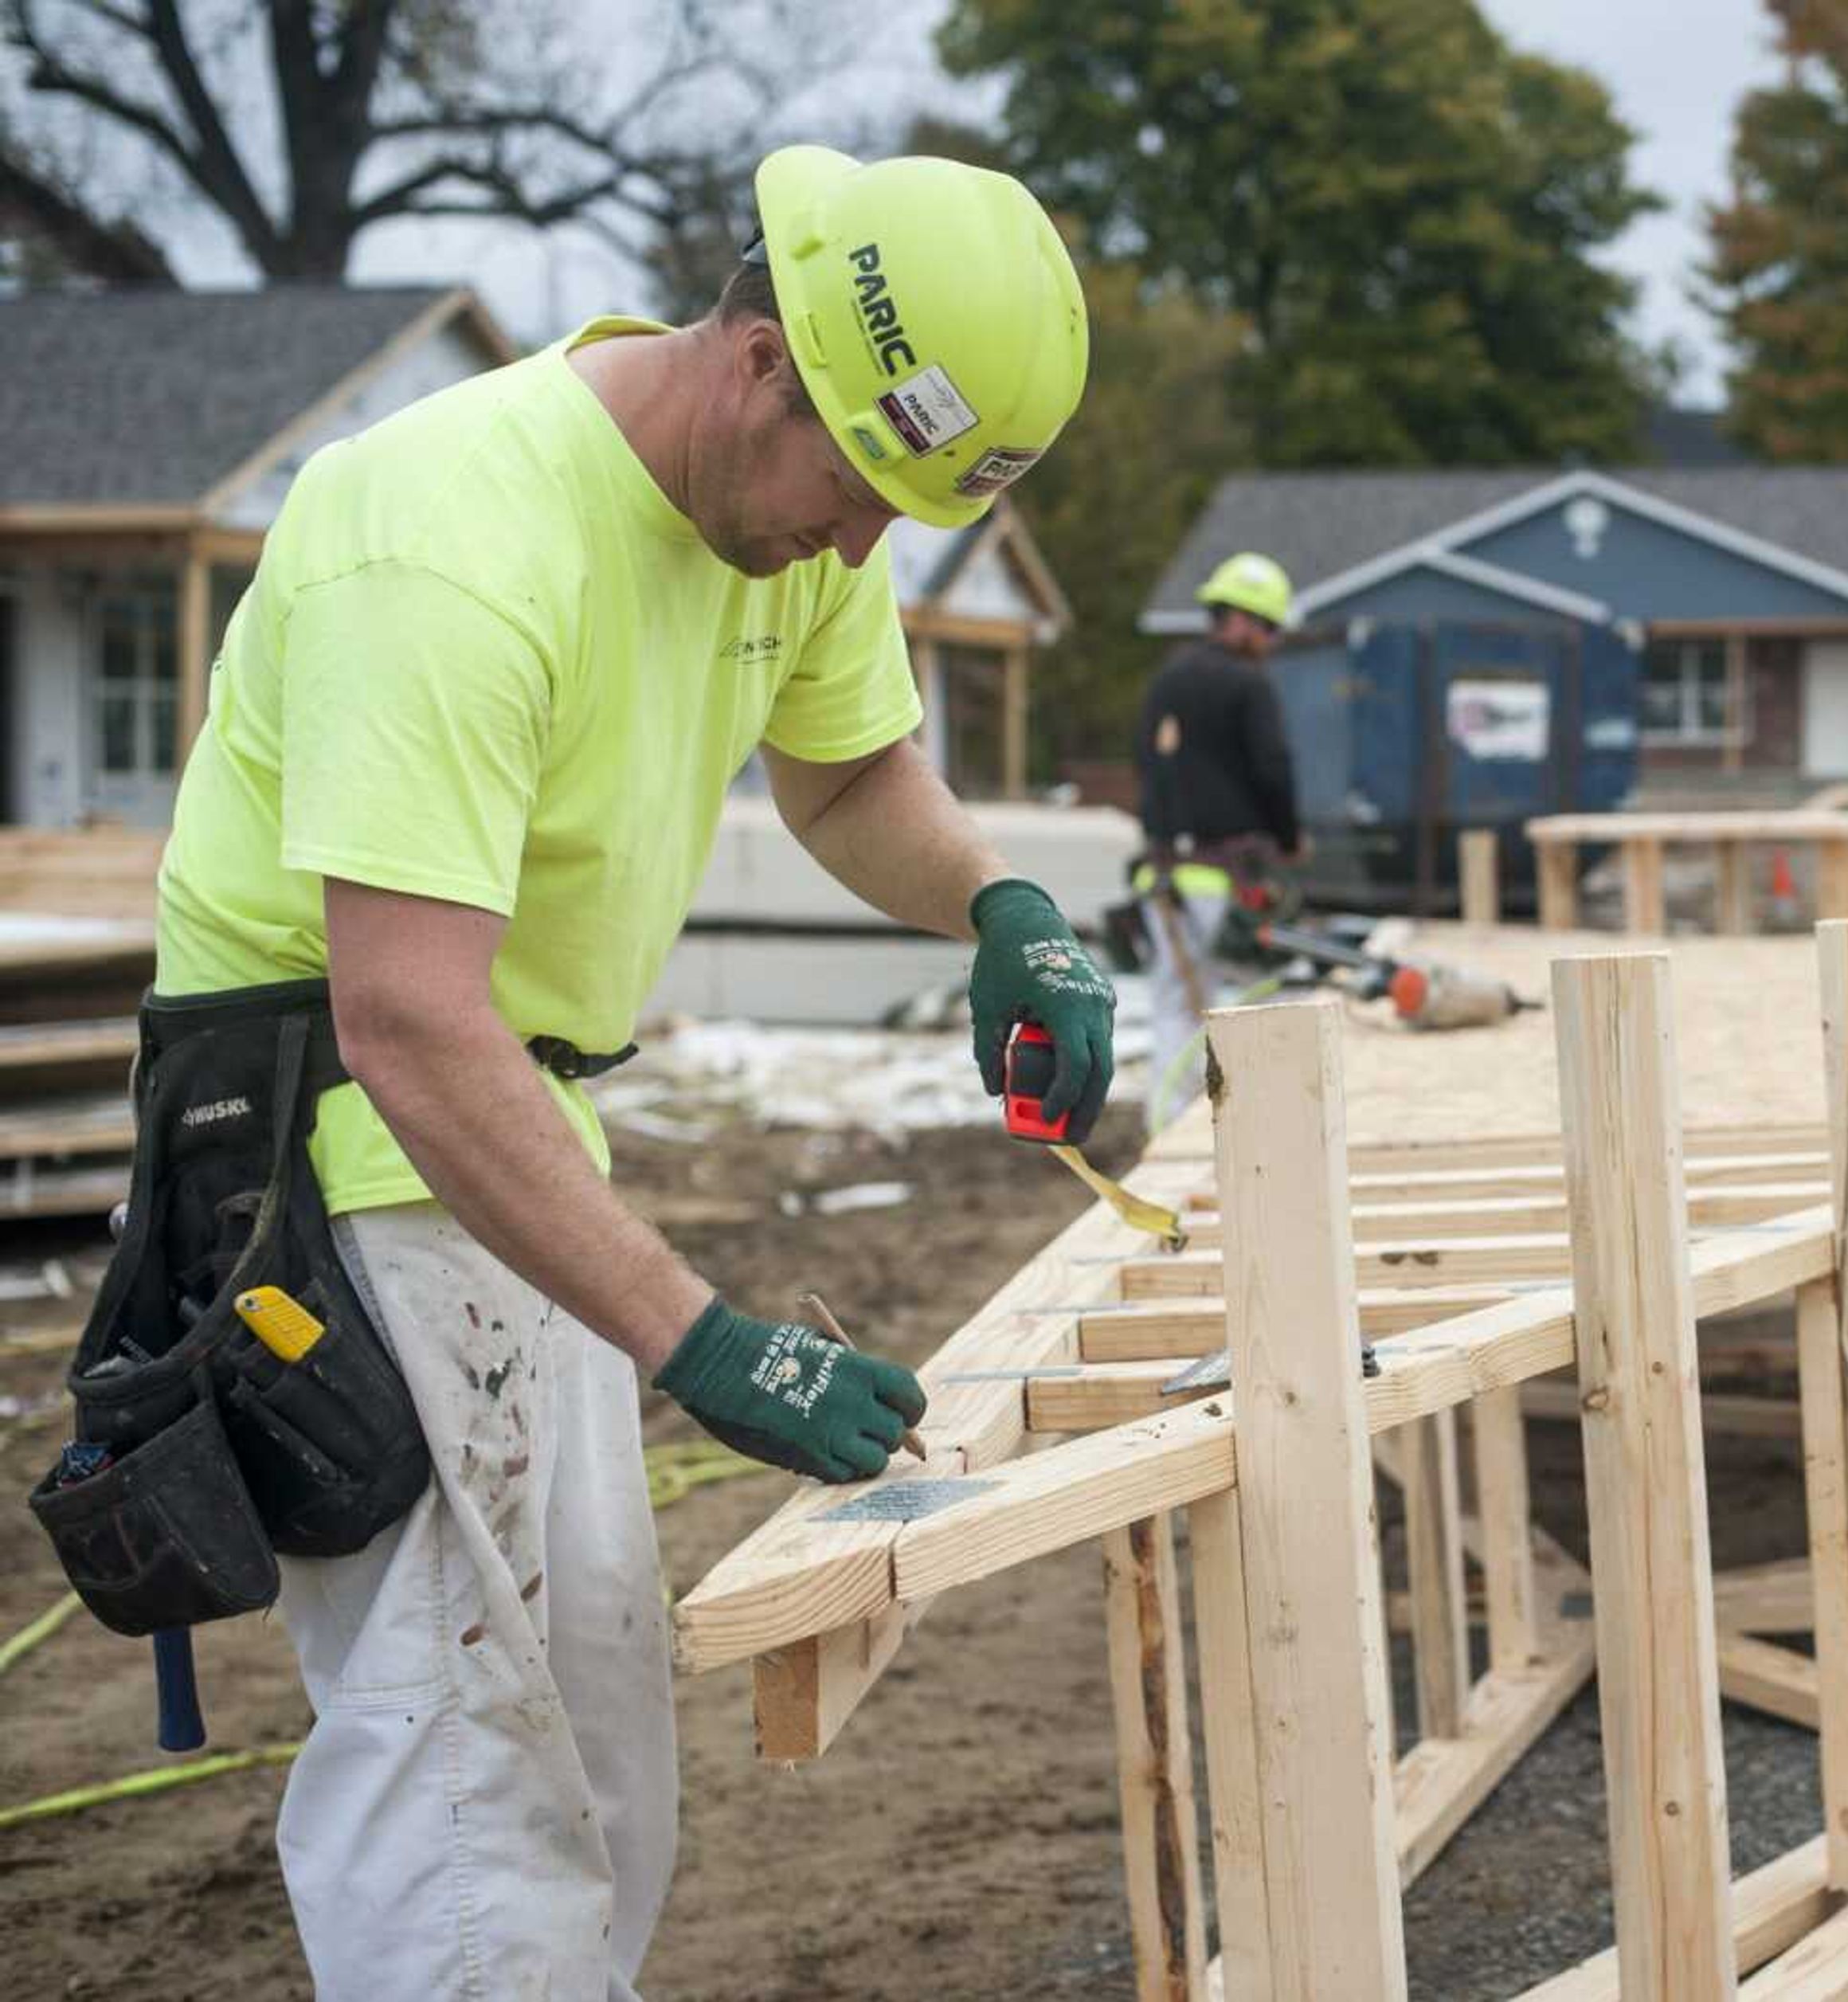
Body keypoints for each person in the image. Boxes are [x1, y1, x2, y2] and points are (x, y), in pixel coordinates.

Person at [140, 147, 1113, 1996]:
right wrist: (703, 1334)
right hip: (328, 1176)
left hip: (504, 1146)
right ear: (759, 360)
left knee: (591, 1752)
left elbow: (842, 778)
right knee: (457, 1786)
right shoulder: (447, 534)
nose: (853, 552)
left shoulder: (785, 511)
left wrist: (1001, 906)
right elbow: (407, 1015)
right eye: (857, 495)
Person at [1132, 551, 1302, 1124]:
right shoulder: (1249, 685)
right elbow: (1273, 768)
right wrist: (1289, 836)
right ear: (1247, 621)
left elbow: (1145, 764)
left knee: (1175, 1008)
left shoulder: (1168, 678)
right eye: (1271, 627)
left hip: (1162, 879)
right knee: (1269, 994)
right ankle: (1265, 1128)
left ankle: (1166, 1137)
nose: (1272, 641)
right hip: (1230, 878)